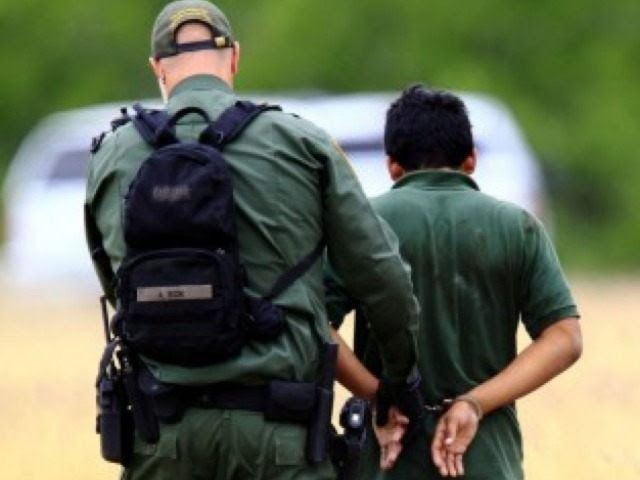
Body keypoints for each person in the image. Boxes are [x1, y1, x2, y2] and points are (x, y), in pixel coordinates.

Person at [84, 2, 421, 479]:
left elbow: (117, 287)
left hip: (161, 438)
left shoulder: (110, 156)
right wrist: (397, 382)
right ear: (235, 58)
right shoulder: (301, 141)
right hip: (280, 436)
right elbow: (382, 276)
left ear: (157, 67)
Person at [325, 85, 583, 479]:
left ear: (392, 165)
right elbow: (565, 339)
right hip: (489, 461)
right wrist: (474, 403)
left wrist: (378, 396)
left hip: (389, 464)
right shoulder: (519, 227)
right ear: (471, 160)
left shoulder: (363, 226)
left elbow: (314, 325)